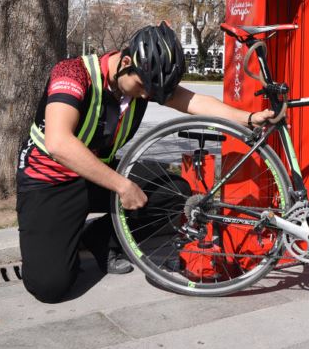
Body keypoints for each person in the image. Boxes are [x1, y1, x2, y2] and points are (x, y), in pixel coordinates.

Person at [16, 22, 274, 304]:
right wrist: (122, 186)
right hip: (49, 182)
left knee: (175, 193)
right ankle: (61, 233)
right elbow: (58, 143)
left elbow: (195, 101)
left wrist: (247, 118)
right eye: (143, 86)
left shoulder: (141, 83)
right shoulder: (73, 73)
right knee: (50, 287)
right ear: (126, 62)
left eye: (153, 91)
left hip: (94, 175)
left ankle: (100, 240)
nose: (147, 95)